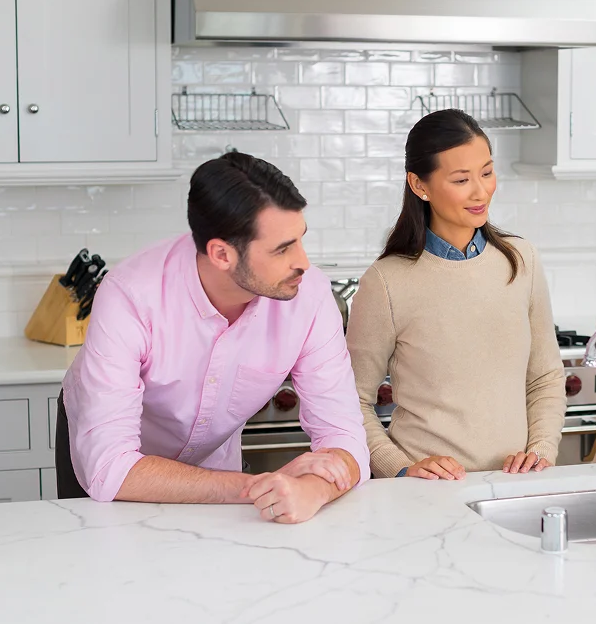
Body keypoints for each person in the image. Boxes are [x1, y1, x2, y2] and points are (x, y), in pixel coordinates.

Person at [58, 151, 369, 523]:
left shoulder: (311, 296)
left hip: (215, 467)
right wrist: (257, 486)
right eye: (282, 249)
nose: (303, 261)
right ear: (221, 254)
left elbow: (345, 436)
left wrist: (313, 490)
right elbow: (109, 468)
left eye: (300, 239)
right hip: (121, 473)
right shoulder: (130, 295)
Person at [346, 109, 566, 480]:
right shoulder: (386, 282)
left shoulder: (521, 260)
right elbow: (351, 401)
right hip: (427, 495)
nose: (481, 191)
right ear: (420, 185)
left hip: (513, 486)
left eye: (487, 172)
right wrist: (400, 468)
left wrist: (541, 451)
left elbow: (544, 375)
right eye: (462, 179)